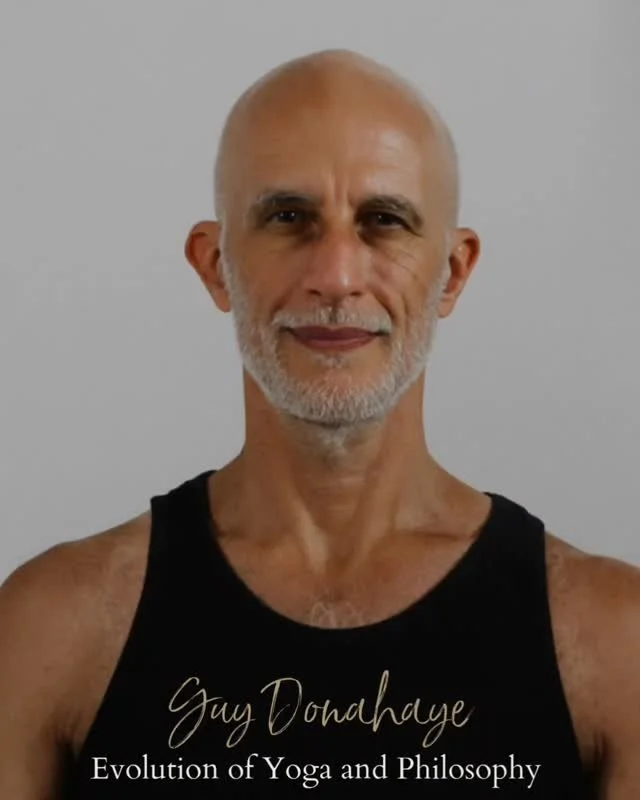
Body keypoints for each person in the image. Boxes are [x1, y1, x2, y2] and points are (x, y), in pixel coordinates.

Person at [0, 48, 637, 799]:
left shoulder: (610, 644)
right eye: (289, 217)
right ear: (215, 265)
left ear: (453, 272)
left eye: (384, 221)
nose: (336, 276)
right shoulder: (55, 631)